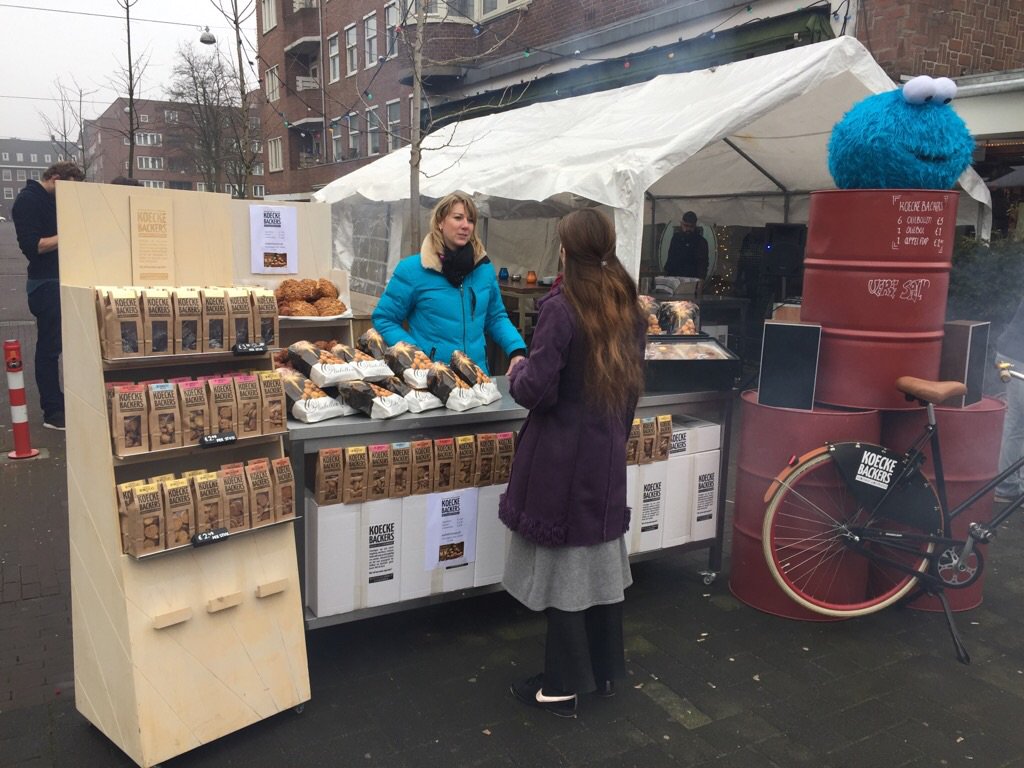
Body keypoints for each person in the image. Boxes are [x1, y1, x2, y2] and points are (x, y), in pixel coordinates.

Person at [498, 208, 646, 718]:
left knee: (566, 573)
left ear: (567, 250)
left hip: (561, 457)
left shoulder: (562, 307)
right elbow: (630, 391)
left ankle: (561, 687)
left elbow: (537, 389)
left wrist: (518, 369)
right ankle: (603, 673)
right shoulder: (627, 302)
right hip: (604, 454)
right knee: (600, 567)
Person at [373, 192, 527, 374]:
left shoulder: (483, 269)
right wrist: (416, 356)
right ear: (440, 221)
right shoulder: (413, 269)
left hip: (477, 377)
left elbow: (495, 317)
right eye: (458, 218)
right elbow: (384, 318)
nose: (465, 226)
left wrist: (516, 350)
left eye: (470, 220)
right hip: (432, 380)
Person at [11, 160, 85, 431]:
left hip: (63, 281)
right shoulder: (28, 201)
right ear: (54, 178)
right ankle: (52, 411)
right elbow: (33, 246)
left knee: (65, 346)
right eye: (67, 188)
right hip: (46, 284)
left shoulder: (53, 200)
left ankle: (61, 401)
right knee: (49, 348)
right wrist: (70, 233)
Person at [995, 300, 1024, 502]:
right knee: (1017, 425)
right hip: (1017, 360)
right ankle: (1006, 487)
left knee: (1017, 425)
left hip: (1013, 355)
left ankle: (1009, 486)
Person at [664, 210, 709, 280]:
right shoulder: (676, 238)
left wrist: (700, 282)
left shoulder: (701, 242)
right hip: (674, 277)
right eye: (686, 225)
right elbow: (670, 259)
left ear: (695, 225)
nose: (688, 229)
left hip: (692, 279)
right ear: (682, 224)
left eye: (691, 226)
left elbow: (702, 265)